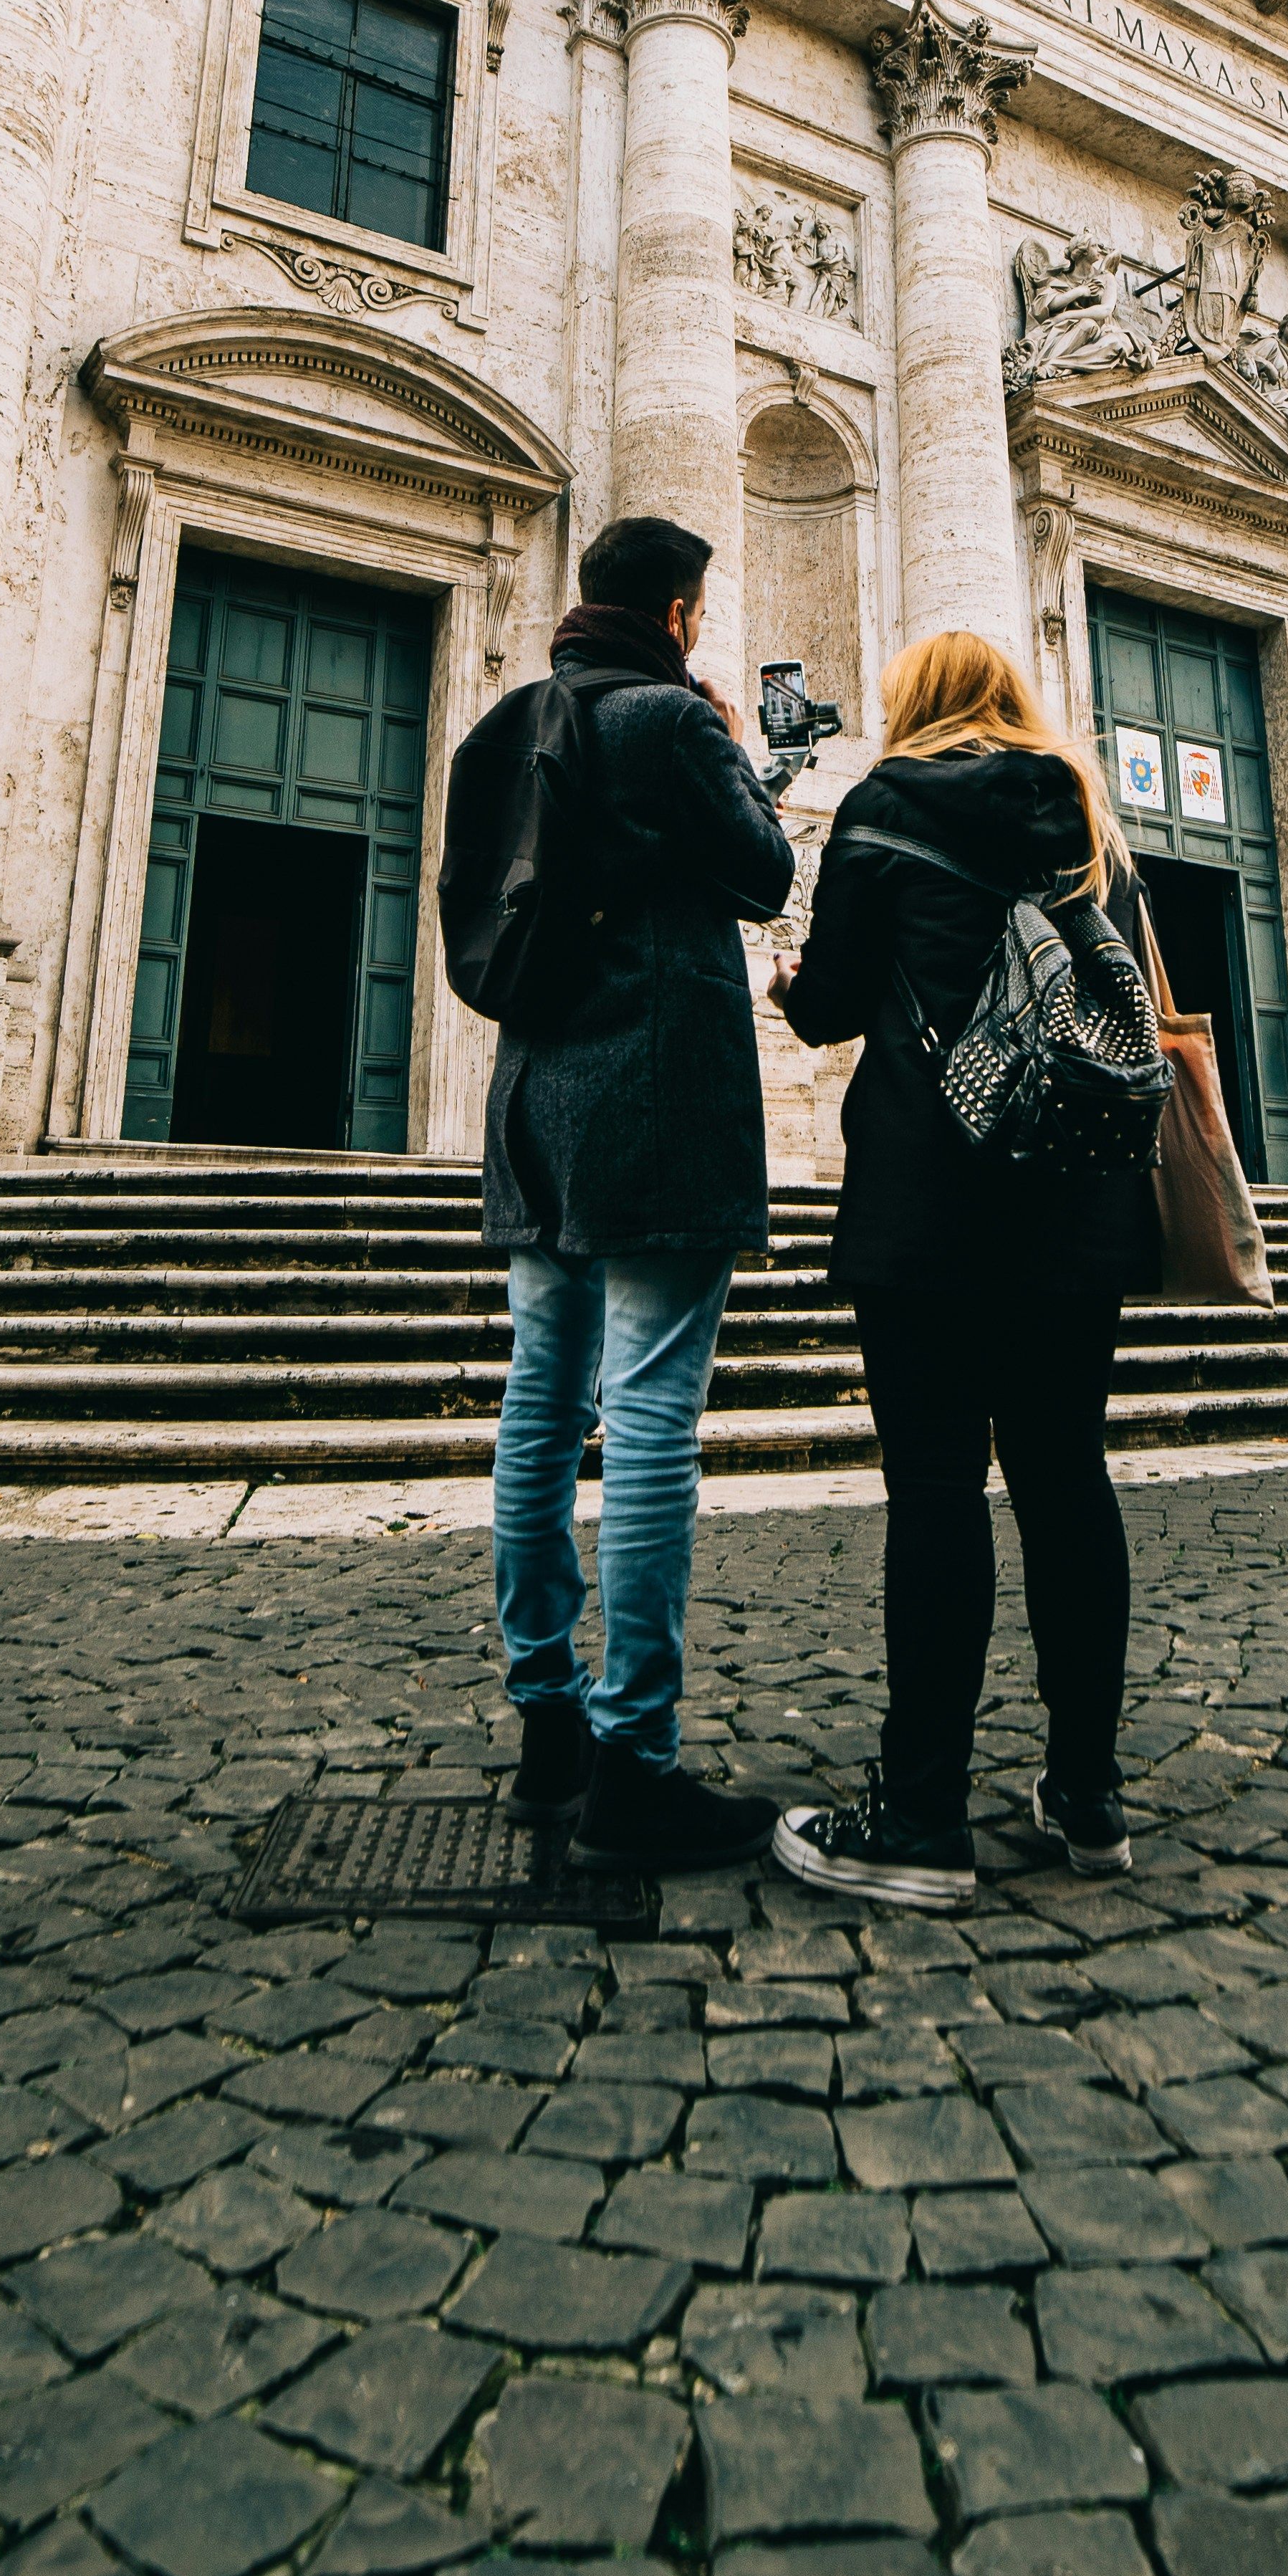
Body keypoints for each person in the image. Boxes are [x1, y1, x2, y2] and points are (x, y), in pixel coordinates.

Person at [766, 631, 1156, 1907]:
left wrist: (793, 985)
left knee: (936, 1485)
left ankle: (924, 1817)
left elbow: (829, 1005)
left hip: (931, 1196)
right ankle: (1089, 1797)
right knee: (1065, 1474)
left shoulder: (883, 808)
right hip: (1077, 1196)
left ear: (911, 706)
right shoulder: (1087, 822)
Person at [479, 512, 794, 1874]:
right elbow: (769, 874)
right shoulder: (671, 721)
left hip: (537, 1101)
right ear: (678, 612)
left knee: (541, 1408)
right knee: (655, 1409)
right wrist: (726, 739)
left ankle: (548, 1720)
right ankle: (636, 1761)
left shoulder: (508, 722)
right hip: (658, 1095)